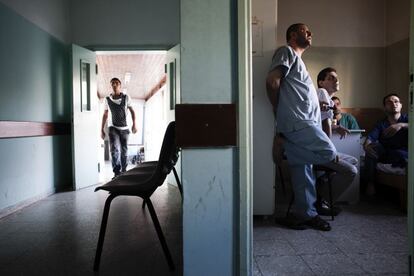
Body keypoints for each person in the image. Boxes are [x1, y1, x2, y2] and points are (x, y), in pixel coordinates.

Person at [266, 23, 340, 231]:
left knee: (302, 171)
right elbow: (272, 82)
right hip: (298, 122)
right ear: (292, 35)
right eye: (305, 30)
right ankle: (287, 148)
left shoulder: (300, 63)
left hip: (302, 122)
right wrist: (278, 112)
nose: (310, 33)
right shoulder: (286, 51)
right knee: (329, 154)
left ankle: (305, 214)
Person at [316, 68, 358, 215]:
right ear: (321, 82)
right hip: (318, 150)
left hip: (319, 148)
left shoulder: (327, 98)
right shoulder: (321, 93)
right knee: (351, 171)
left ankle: (322, 186)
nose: (336, 80)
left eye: (336, 78)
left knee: (353, 161)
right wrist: (331, 150)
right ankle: (323, 200)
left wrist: (336, 126)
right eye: (331, 78)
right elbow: (323, 125)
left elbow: (320, 121)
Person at [363, 93, 408, 195]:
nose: (393, 104)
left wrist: (401, 125)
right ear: (385, 107)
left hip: (405, 152)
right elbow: (370, 138)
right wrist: (366, 145)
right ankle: (370, 183)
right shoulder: (381, 124)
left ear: (401, 105)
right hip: (387, 154)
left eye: (396, 101)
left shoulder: (408, 118)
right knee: (372, 147)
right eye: (389, 102)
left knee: (401, 154)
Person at [101, 78, 137, 178]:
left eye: (117, 83)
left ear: (120, 85)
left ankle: (124, 171)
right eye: (112, 83)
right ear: (111, 85)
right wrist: (101, 130)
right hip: (113, 128)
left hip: (125, 129)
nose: (115, 84)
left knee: (124, 151)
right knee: (114, 150)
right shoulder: (107, 99)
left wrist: (134, 124)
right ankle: (116, 173)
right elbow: (105, 114)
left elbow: (132, 111)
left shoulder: (126, 97)